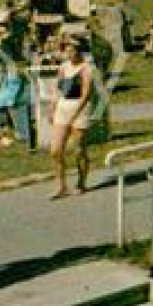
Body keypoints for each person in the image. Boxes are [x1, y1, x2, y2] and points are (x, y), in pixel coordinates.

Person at [48, 35, 94, 199]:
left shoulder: (86, 68)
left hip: (79, 109)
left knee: (78, 150)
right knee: (55, 150)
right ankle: (61, 185)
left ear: (79, 51)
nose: (69, 53)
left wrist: (75, 114)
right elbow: (57, 89)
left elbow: (86, 94)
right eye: (67, 50)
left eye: (72, 50)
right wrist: (52, 107)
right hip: (63, 107)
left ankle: (81, 181)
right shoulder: (63, 67)